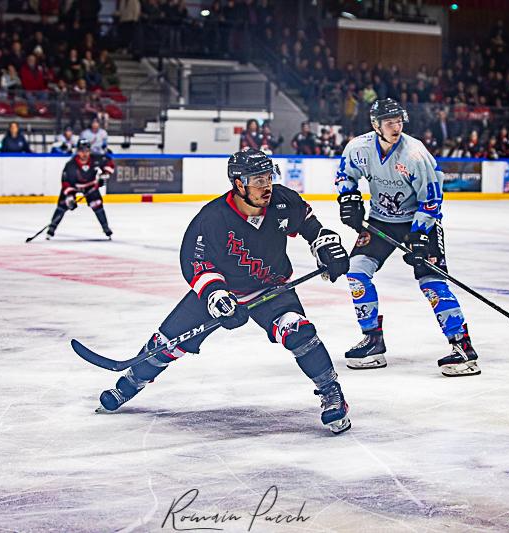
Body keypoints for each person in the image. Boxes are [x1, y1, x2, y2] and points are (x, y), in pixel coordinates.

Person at [96, 148, 353, 434]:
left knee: (299, 332)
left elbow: (309, 224)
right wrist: (216, 296)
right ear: (239, 183)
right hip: (224, 290)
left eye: (268, 177)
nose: (266, 185)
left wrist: (325, 244)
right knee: (165, 344)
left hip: (270, 287)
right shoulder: (213, 218)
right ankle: (129, 384)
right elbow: (195, 262)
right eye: (257, 179)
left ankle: (332, 393)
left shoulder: (281, 201)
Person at [335, 98, 480, 377]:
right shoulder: (359, 148)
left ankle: (462, 346)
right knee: (356, 273)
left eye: (399, 121)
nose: (396, 126)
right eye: (389, 122)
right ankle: (373, 341)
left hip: (417, 223)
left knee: (431, 282)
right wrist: (349, 199)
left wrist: (419, 234)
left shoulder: (415, 154)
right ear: (375, 125)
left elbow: (433, 199)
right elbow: (345, 176)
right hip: (381, 221)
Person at [47, 139, 114, 239]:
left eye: (87, 150)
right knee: (62, 205)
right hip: (73, 187)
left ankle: (106, 228)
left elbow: (109, 162)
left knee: (97, 205)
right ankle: (51, 228)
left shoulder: (96, 159)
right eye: (82, 151)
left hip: (90, 186)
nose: (85, 153)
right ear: (78, 151)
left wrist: (105, 175)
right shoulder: (71, 165)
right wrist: (70, 198)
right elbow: (65, 182)